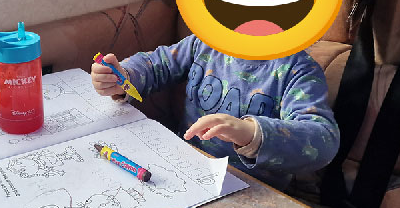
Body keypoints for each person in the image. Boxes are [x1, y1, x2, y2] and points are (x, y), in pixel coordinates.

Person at [91, 35, 340, 190]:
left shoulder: (298, 71)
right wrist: (123, 77)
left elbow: (323, 140)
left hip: (251, 187)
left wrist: (253, 134)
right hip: (186, 167)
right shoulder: (206, 43)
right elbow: (157, 64)